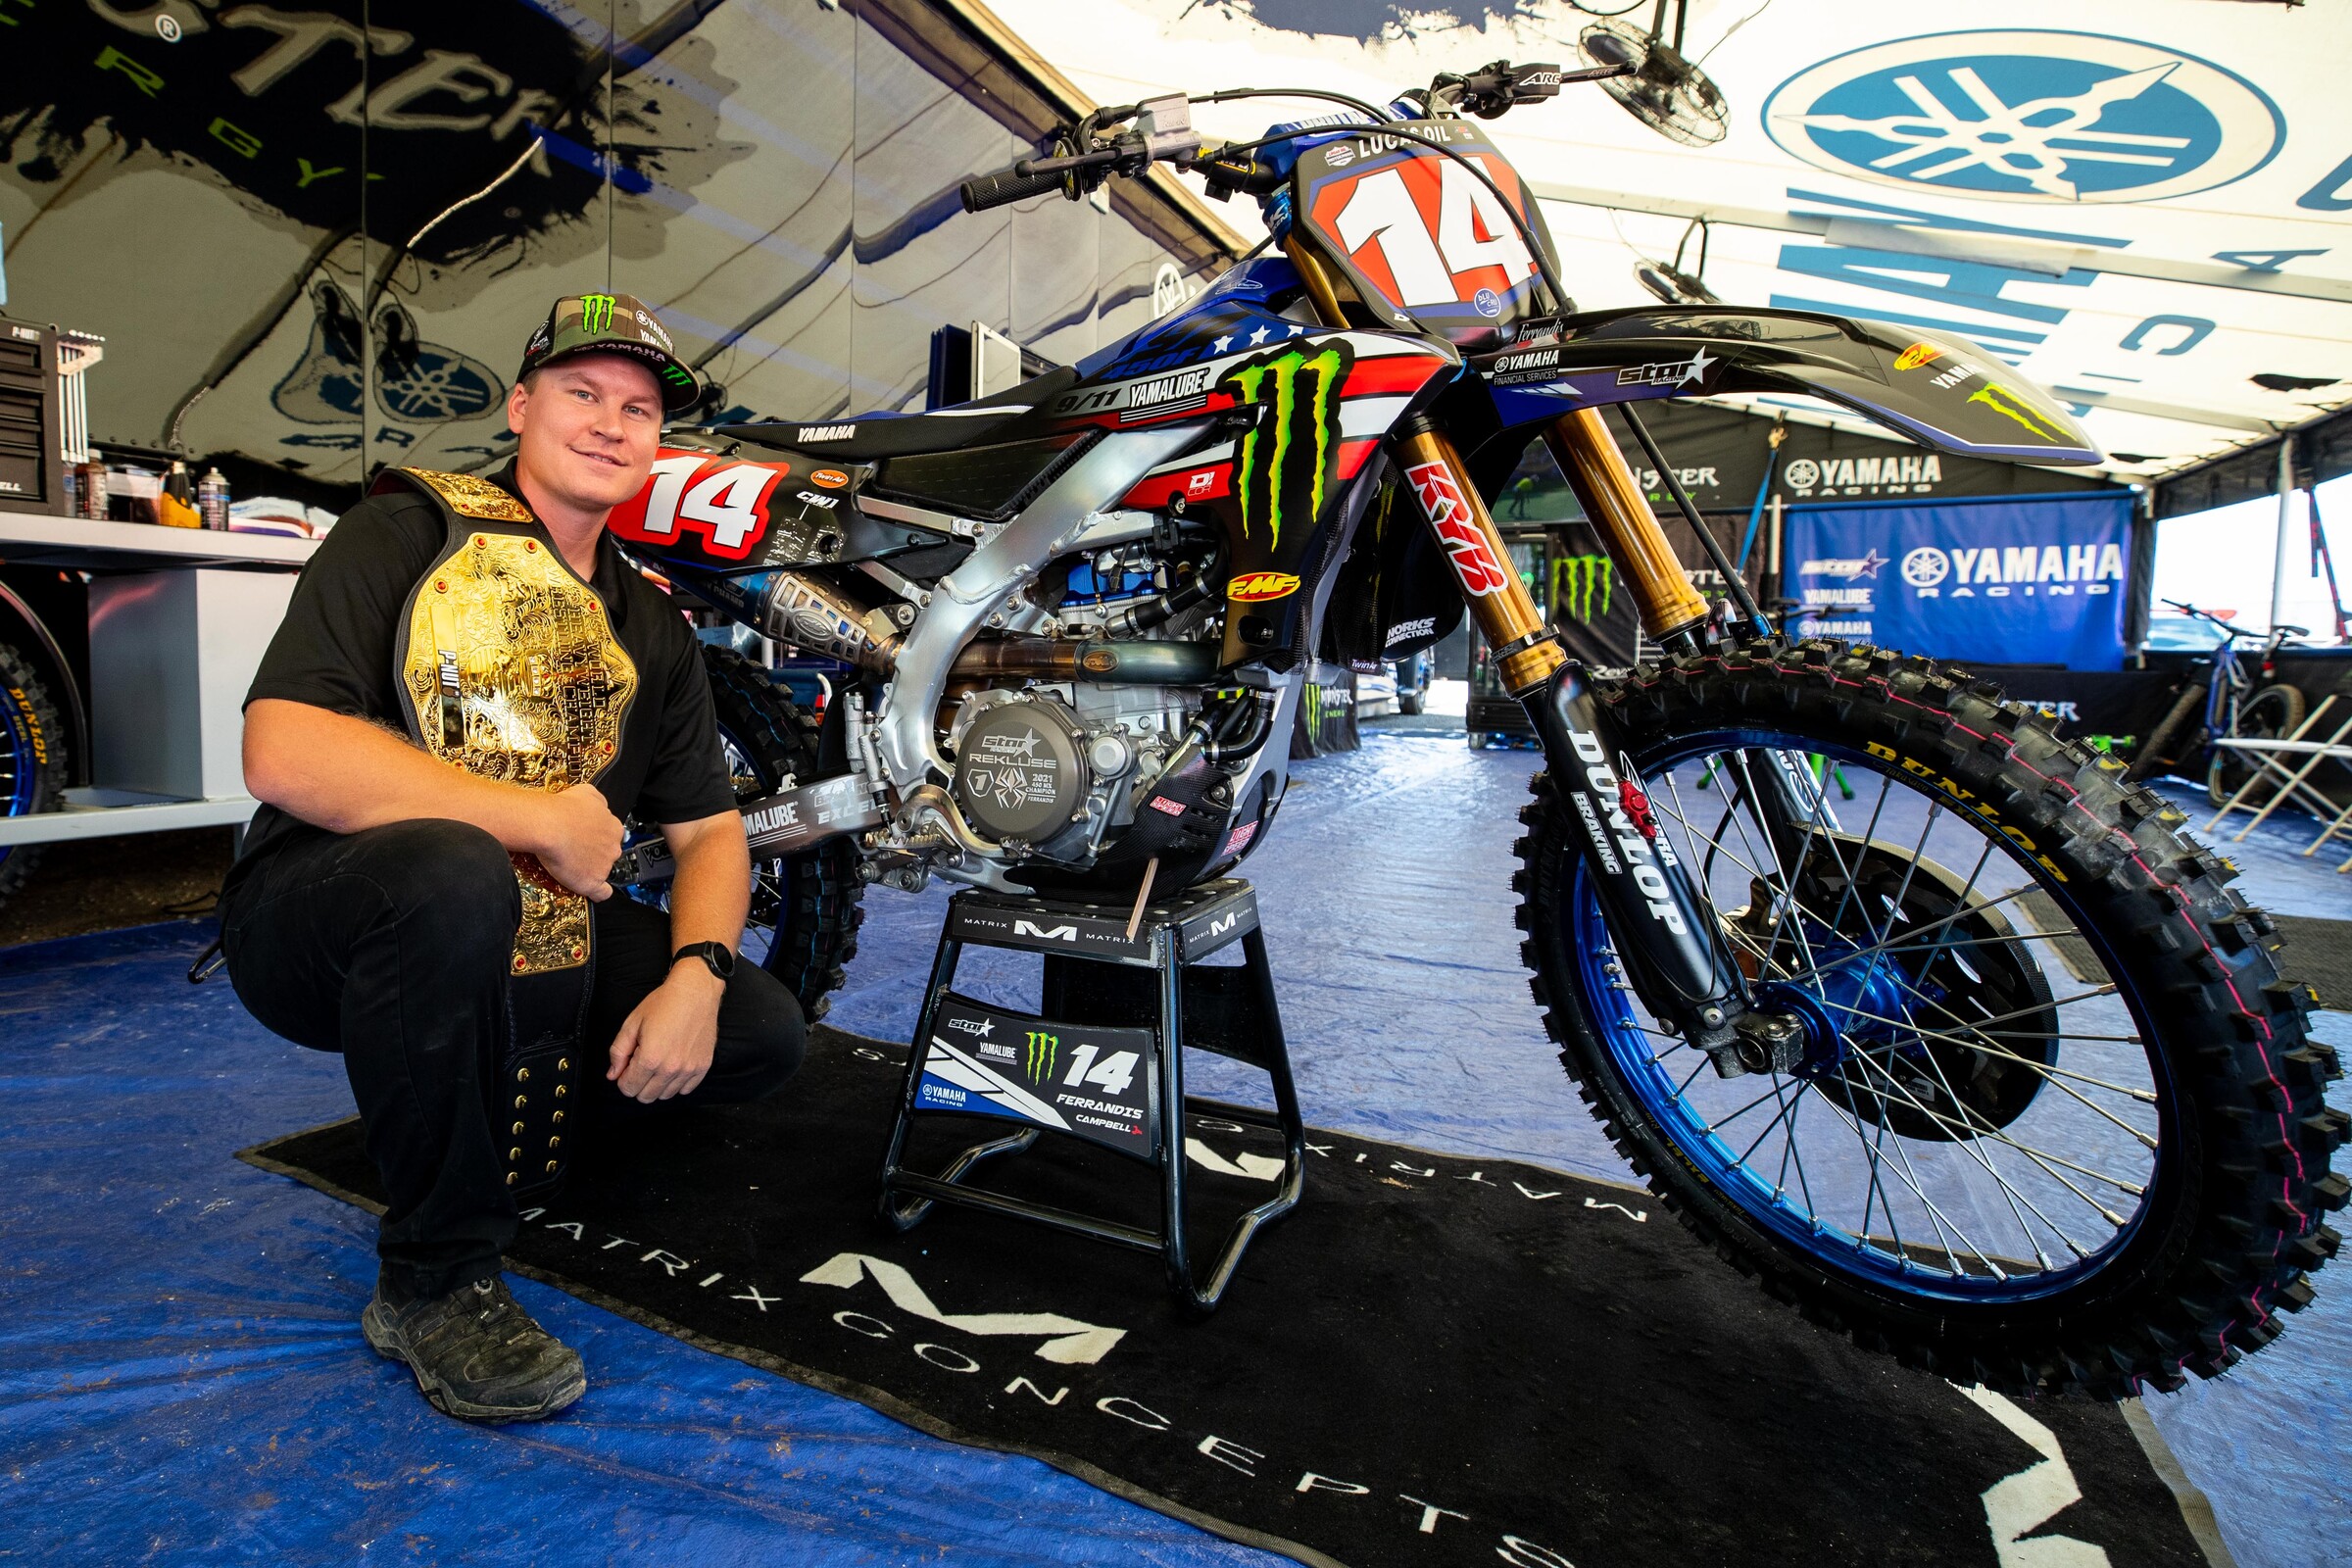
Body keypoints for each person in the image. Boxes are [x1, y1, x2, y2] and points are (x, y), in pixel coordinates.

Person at [220, 293, 803, 1424]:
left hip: (542, 929)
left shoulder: (653, 628)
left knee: (758, 1032)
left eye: (638, 409)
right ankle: (433, 1277)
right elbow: (281, 750)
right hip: (327, 914)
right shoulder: (407, 532)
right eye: (582, 393)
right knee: (452, 868)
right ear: (522, 405)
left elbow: (711, 832)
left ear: (658, 443)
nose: (609, 423)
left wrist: (698, 975)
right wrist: (532, 818)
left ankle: (465, 1125)